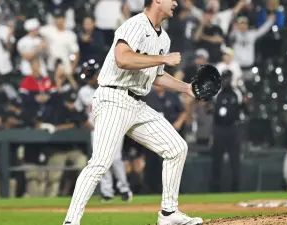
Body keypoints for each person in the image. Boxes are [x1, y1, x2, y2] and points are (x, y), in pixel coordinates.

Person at [63, 0, 203, 224]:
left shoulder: (163, 38)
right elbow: (123, 58)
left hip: (137, 104)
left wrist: (186, 88)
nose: (176, 3)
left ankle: (168, 213)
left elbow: (156, 76)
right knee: (101, 162)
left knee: (177, 148)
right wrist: (163, 59)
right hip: (113, 97)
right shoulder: (136, 24)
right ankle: (71, 221)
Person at [75, 60, 133, 202]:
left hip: (114, 127)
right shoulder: (83, 92)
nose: (94, 78)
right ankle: (107, 193)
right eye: (92, 76)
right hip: (97, 130)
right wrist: (85, 122)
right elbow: (77, 110)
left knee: (116, 159)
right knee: (101, 161)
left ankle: (124, 189)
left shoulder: (111, 87)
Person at [210, 70, 243, 193]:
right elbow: (211, 107)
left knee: (235, 160)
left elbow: (242, 107)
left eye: (229, 78)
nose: (227, 81)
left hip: (232, 128)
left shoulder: (237, 93)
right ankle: (215, 188)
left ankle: (236, 188)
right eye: (224, 78)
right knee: (216, 160)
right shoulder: (217, 93)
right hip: (219, 129)